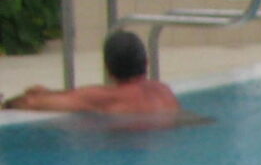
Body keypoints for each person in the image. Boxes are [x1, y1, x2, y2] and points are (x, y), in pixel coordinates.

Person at [7, 28, 189, 119]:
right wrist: (50, 92)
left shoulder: (109, 97)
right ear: (146, 62)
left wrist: (6, 104)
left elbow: (31, 102)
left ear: (108, 68)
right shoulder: (163, 90)